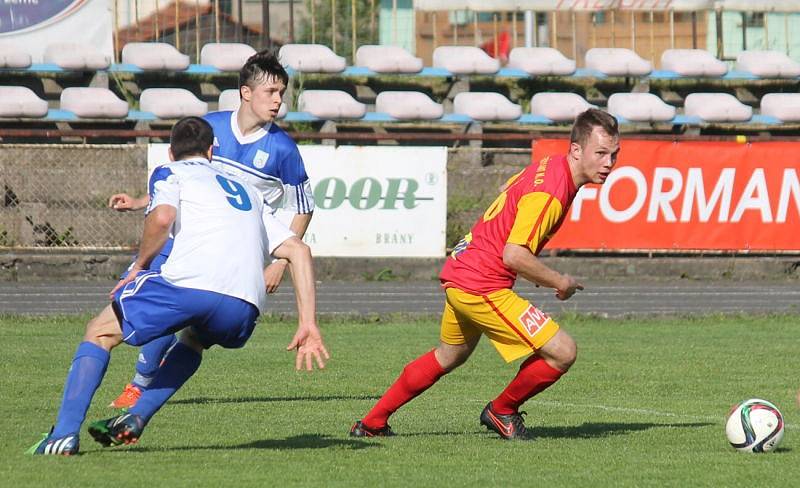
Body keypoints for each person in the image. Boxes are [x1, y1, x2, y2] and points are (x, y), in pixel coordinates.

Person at [29, 117, 328, 456]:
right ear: (212, 151)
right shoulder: (246, 191)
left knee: (99, 331)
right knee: (195, 340)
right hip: (244, 303)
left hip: (190, 285)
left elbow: (161, 217)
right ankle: (137, 417)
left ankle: (63, 434)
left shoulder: (170, 172)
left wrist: (139, 267)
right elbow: (299, 250)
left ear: (171, 153)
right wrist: (307, 323)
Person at [350, 109, 620, 440]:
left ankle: (372, 422)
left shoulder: (550, 166)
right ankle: (501, 410)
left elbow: (508, 202)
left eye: (614, 154)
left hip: (462, 272)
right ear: (576, 150)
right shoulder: (551, 192)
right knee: (563, 351)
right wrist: (559, 281)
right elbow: (514, 254)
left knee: (449, 355)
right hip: (481, 285)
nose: (609, 163)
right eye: (601, 153)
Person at [106, 49, 315, 409]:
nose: (279, 100)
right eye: (271, 92)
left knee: (187, 322)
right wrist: (141, 201)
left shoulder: (283, 149)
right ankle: (138, 384)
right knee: (153, 306)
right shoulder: (212, 127)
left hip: (232, 250)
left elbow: (304, 206)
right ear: (246, 93)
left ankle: (139, 389)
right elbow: (181, 174)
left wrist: (279, 262)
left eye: (282, 92)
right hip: (186, 235)